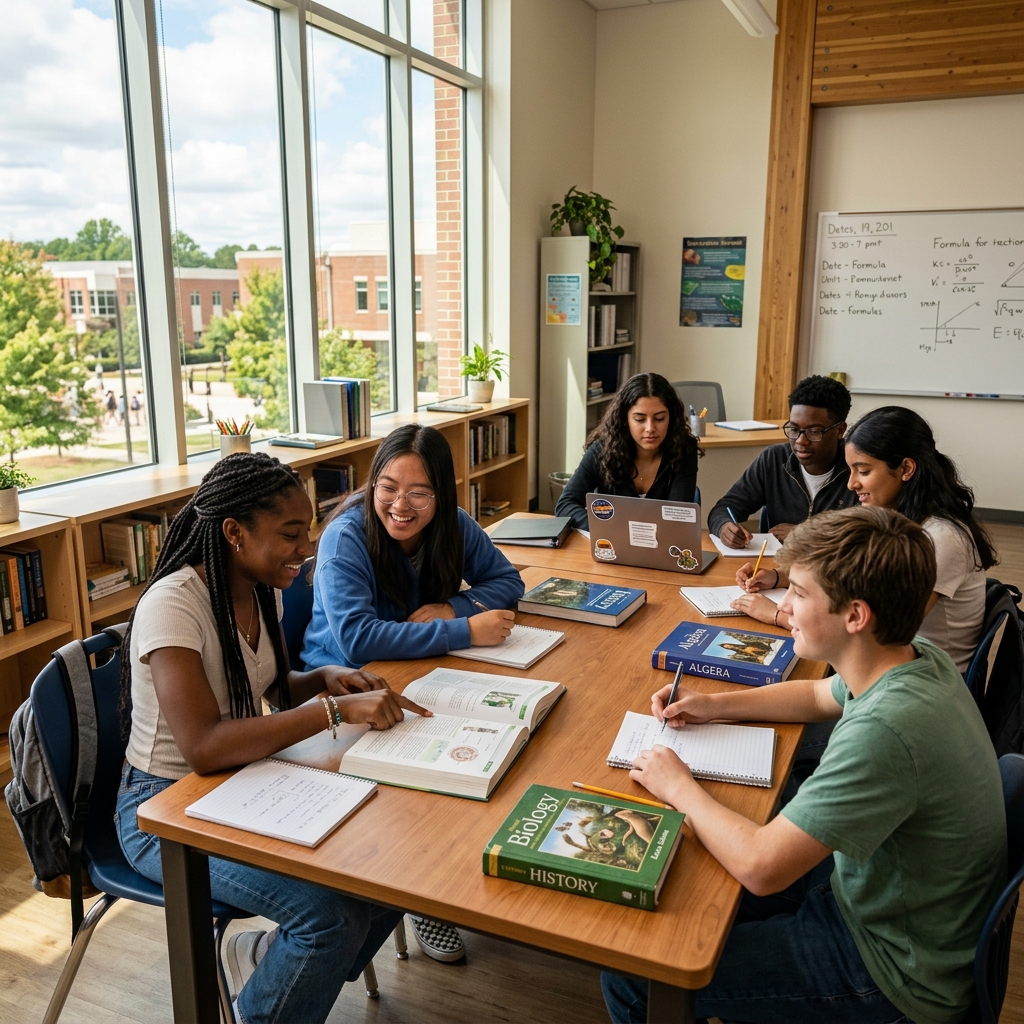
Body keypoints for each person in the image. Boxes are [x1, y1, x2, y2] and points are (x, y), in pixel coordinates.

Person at [603, 506, 1006, 1024]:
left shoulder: (886, 729)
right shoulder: (911, 655)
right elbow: (819, 695)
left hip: (893, 971)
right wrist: (714, 704)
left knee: (635, 974)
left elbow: (761, 868)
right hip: (889, 902)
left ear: (856, 615)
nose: (785, 607)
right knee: (693, 879)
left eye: (798, 593)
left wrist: (677, 786)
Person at [115, 452, 425, 1024]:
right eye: (290, 534)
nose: (305, 549)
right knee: (330, 917)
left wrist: (322, 679)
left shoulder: (261, 588)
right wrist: (331, 709)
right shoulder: (173, 605)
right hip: (162, 810)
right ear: (234, 533)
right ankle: (278, 985)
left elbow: (273, 689)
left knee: (394, 858)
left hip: (243, 780)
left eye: (306, 532)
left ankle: (274, 960)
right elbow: (204, 746)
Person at [301, 424, 524, 964]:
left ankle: (438, 877)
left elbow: (508, 582)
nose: (401, 505)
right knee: (439, 765)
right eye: (388, 487)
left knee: (501, 739)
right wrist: (463, 630)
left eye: (419, 492)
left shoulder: (453, 524)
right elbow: (356, 636)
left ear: (442, 494)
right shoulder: (346, 535)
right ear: (372, 483)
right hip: (343, 686)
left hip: (415, 672)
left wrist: (454, 607)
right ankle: (423, 893)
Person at [736, 406, 996, 674]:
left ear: (906, 468)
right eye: (850, 470)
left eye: (863, 471)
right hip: (891, 666)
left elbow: (873, 632)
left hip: (922, 678)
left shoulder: (941, 538)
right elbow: (850, 579)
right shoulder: (896, 518)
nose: (851, 484)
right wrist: (780, 577)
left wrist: (778, 615)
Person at [708, 374, 857, 548]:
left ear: (840, 430)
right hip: (777, 569)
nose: (801, 441)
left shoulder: (857, 469)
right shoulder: (774, 459)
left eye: (814, 431)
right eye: (794, 429)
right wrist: (724, 526)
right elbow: (725, 508)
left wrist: (805, 535)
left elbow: (870, 539)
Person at [554, 372, 701, 530]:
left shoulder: (683, 450)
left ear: (671, 418)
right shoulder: (602, 450)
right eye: (639, 419)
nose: (650, 428)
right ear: (625, 419)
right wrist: (607, 528)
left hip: (660, 549)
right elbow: (565, 505)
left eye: (659, 418)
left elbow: (677, 519)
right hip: (611, 547)